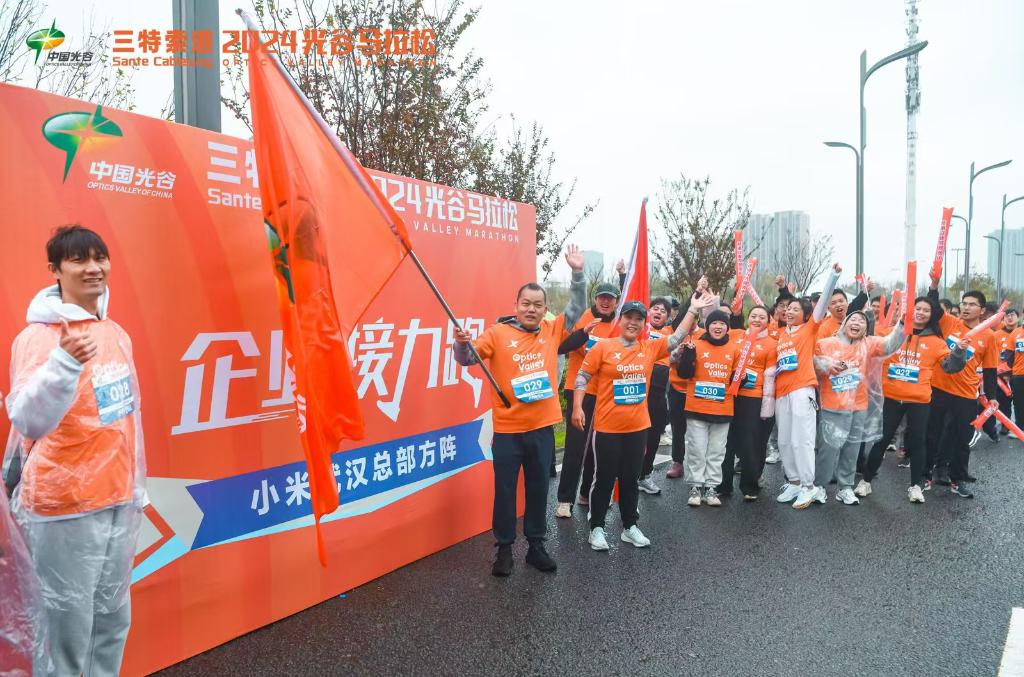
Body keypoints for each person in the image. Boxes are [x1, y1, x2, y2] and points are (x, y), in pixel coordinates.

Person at [4, 226, 146, 676]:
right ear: (55, 270)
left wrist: (135, 487)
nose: (93, 268)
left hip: (116, 498)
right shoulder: (39, 338)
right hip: (64, 507)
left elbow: (125, 418)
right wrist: (63, 362)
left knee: (111, 621)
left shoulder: (115, 332)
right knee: (66, 630)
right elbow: (27, 420)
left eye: (99, 257)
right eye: (78, 259)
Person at [454, 244, 586, 576]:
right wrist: (460, 343)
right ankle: (504, 549)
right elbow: (467, 359)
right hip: (508, 431)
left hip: (542, 429)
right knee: (505, 491)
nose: (531, 309)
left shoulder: (552, 331)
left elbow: (577, 308)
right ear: (516, 306)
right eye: (526, 303)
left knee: (539, 489)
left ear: (545, 310)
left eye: (538, 305)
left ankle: (536, 546)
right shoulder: (497, 334)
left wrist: (577, 273)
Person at [572, 300, 691, 550]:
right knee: (603, 479)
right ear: (620, 319)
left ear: (643, 324)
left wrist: (693, 309)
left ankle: (630, 527)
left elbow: (677, 337)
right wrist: (577, 407)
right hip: (607, 427)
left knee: (630, 479)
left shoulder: (649, 348)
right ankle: (596, 528)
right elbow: (582, 376)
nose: (633, 323)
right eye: (629, 317)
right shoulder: (603, 347)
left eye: (639, 319)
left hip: (638, 428)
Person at [856, 295, 968, 500]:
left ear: (931, 315)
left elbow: (950, 367)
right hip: (891, 398)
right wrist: (870, 318)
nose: (921, 313)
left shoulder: (937, 342)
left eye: (926, 310)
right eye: (918, 308)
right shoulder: (893, 334)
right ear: (910, 311)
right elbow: (870, 343)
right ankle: (866, 481)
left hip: (919, 400)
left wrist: (959, 351)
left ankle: (916, 486)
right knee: (882, 440)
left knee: (918, 442)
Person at [812, 311, 903, 504]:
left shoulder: (869, 344)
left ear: (866, 329)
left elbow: (890, 345)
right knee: (827, 449)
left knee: (852, 449)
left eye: (862, 321)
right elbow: (812, 361)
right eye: (852, 319)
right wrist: (826, 364)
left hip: (858, 406)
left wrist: (902, 325)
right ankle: (819, 485)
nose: (856, 323)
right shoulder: (826, 343)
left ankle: (845, 487)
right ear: (844, 324)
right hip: (832, 405)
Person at [773, 263, 841, 509]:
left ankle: (808, 486)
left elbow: (821, 305)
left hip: (802, 389)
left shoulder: (810, 329)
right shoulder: (781, 334)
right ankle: (793, 481)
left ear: (805, 314)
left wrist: (833, 276)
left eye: (795, 309)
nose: (789, 311)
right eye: (787, 308)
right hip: (781, 392)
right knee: (784, 440)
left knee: (802, 439)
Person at [555, 281, 622, 517]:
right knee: (575, 447)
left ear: (616, 301)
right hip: (579, 391)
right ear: (595, 299)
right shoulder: (583, 317)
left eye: (610, 298)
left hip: (607, 393)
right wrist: (584, 334)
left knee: (598, 447)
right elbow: (561, 346)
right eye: (602, 297)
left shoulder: (619, 323)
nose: (605, 302)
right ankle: (565, 500)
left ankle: (586, 494)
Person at [926, 286, 999, 497]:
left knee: (961, 438)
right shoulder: (950, 322)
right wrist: (934, 286)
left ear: (982, 310)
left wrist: (992, 397)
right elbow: (933, 307)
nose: (966, 308)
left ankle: (957, 479)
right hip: (939, 387)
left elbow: (990, 369)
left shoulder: (989, 336)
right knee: (933, 433)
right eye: (964, 303)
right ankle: (926, 475)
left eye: (972, 304)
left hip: (966, 393)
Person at [675, 295, 740, 507]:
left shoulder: (735, 349)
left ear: (727, 327)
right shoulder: (695, 345)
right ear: (707, 326)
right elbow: (684, 374)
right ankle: (695, 486)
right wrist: (687, 357)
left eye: (722, 323)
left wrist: (742, 378)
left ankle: (711, 487)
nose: (718, 327)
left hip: (723, 410)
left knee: (716, 452)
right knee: (696, 449)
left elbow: (737, 378)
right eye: (714, 323)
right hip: (697, 407)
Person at [717, 305, 776, 500]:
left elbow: (770, 377)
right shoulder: (736, 335)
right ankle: (723, 484)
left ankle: (750, 486)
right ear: (747, 318)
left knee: (750, 442)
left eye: (762, 317)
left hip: (753, 397)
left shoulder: (772, 344)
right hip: (730, 395)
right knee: (725, 440)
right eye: (754, 316)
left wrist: (767, 408)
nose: (757, 319)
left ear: (768, 322)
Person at [638, 297, 677, 495]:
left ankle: (644, 476)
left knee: (653, 435)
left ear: (668, 317)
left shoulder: (670, 334)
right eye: (655, 308)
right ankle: (620, 480)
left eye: (663, 311)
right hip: (636, 388)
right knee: (631, 436)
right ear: (648, 311)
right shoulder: (639, 328)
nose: (658, 312)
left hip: (658, 391)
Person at [995, 309, 1018, 433]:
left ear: (1018, 317)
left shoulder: (1021, 332)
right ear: (1003, 319)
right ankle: (1006, 425)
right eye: (1007, 316)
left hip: (1019, 373)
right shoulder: (997, 335)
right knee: (1004, 401)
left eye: (1012, 315)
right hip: (1001, 374)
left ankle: (1019, 426)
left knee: (1020, 401)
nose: (1010, 318)